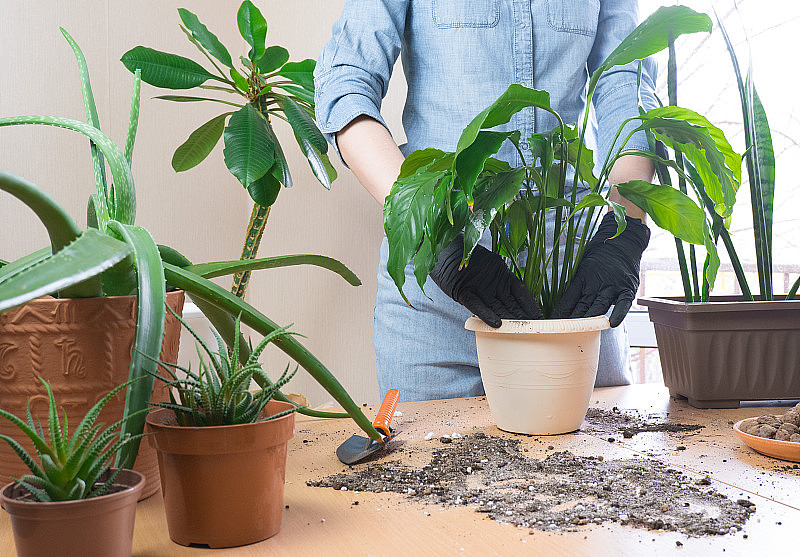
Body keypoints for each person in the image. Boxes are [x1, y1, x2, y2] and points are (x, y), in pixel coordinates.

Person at [314, 0, 657, 401]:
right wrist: (434, 231)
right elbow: (346, 86)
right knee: (429, 460)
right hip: (439, 295)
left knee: (602, 458)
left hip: (574, 291)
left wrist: (624, 232)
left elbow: (626, 85)